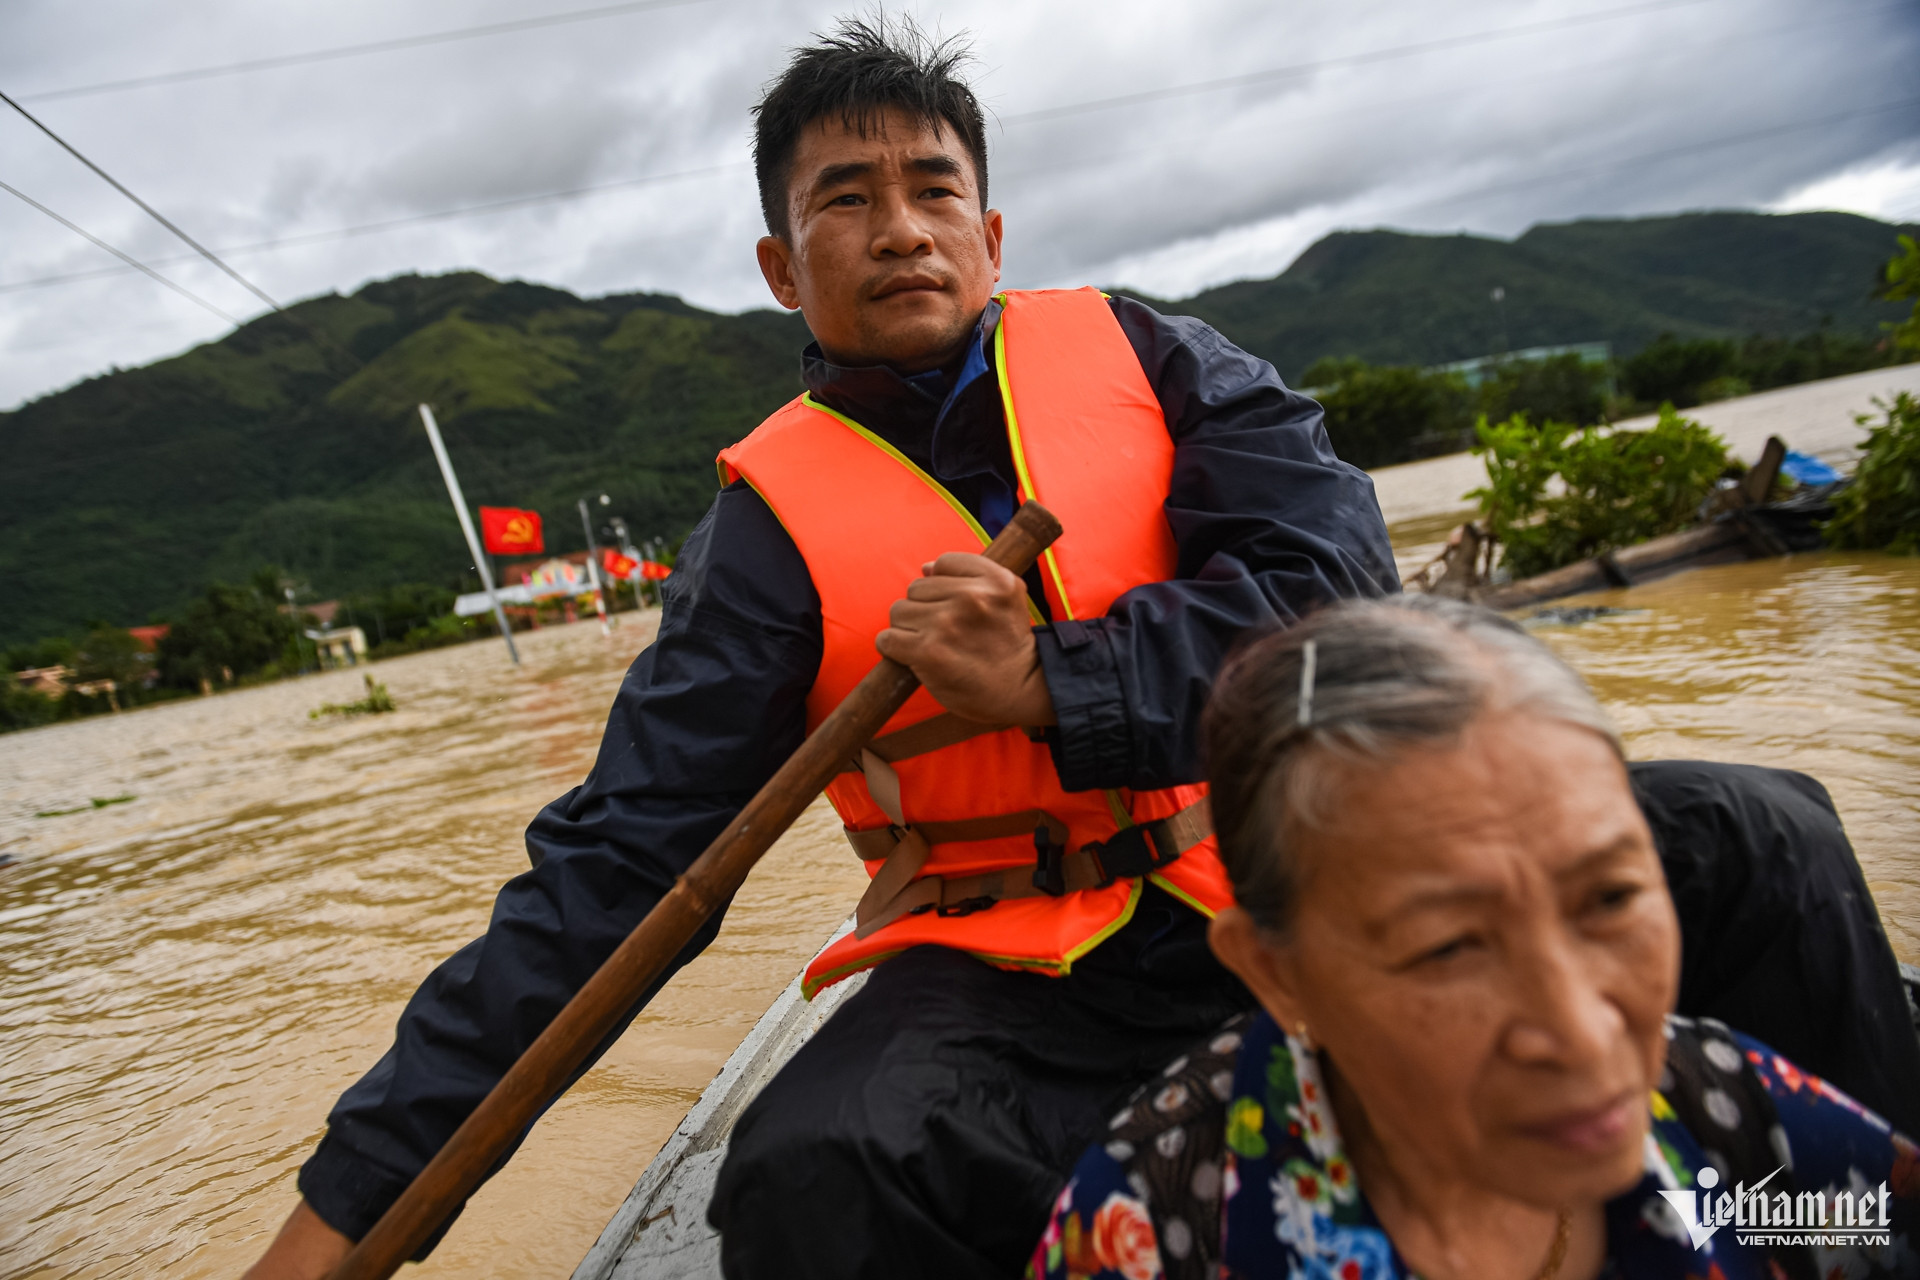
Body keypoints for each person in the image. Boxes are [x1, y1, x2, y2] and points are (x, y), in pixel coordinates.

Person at [245, 19, 1917, 1279]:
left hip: (1286, 893)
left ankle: (1824, 1228)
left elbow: (1341, 587)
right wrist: (343, 1212)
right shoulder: (760, 544)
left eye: (933, 190)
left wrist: (1058, 681)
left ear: (991, 232)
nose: (899, 227)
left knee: (1765, 837)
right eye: (847, 198)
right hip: (1012, 984)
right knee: (813, 1169)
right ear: (781, 264)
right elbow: (603, 878)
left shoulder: (1164, 363)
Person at [1032, 596, 1919, 1280]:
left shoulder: (1737, 1127)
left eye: (1610, 897)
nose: (1581, 1033)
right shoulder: (1157, 1227)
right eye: (1450, 947)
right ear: (1279, 976)